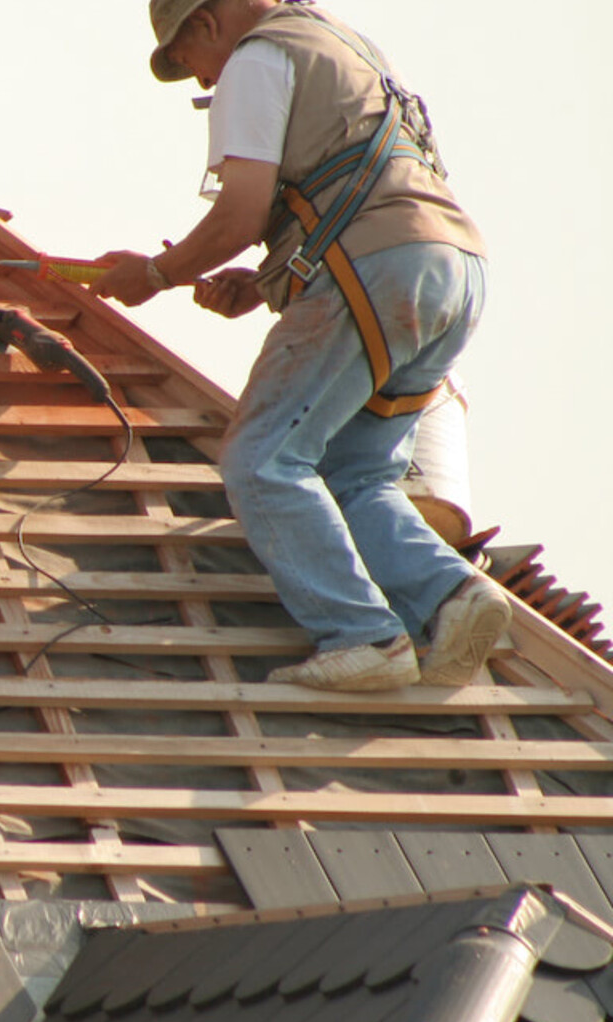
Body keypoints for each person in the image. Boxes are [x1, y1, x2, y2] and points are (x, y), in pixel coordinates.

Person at [90, 0, 511, 692]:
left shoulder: (256, 58)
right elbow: (352, 181)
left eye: (190, 61)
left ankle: (362, 636)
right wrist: (267, 283)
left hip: (377, 270)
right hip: (451, 270)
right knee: (355, 472)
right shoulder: (342, 45)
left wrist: (157, 274)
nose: (203, 79)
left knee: (262, 457)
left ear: (206, 22)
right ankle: (450, 593)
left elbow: (241, 211)